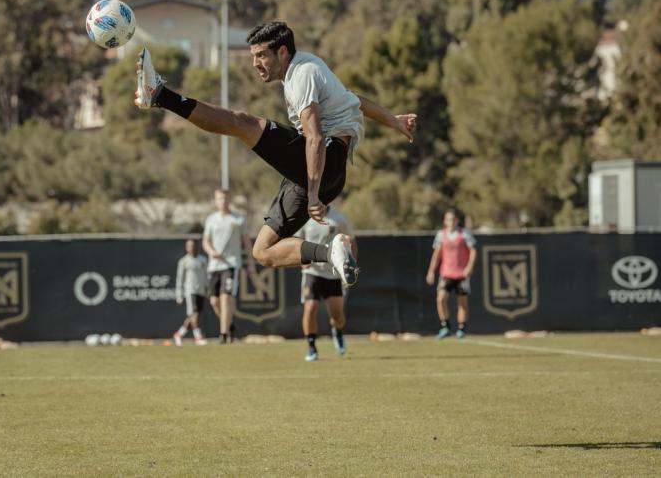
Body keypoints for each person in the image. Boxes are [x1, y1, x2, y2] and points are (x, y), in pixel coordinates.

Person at [134, 21, 416, 286]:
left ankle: (160, 95)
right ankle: (332, 254)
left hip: (322, 162)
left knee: (243, 123)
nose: (255, 63)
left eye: (261, 55)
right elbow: (355, 100)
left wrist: (314, 193)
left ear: (282, 52)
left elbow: (315, 137)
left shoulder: (302, 74)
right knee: (263, 250)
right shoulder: (307, 68)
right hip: (325, 173)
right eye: (253, 56)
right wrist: (394, 120)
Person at [296, 206, 356, 362]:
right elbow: (296, 242)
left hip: (333, 272)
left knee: (337, 315)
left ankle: (338, 331)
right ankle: (311, 347)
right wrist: (302, 262)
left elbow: (351, 241)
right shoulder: (305, 218)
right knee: (310, 308)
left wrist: (350, 266)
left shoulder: (338, 218)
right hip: (312, 272)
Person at [202, 188, 254, 344]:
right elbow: (206, 241)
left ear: (229, 200)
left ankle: (223, 335)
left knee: (226, 299)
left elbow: (246, 243)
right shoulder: (211, 219)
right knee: (214, 302)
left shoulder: (238, 219)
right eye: (219, 199)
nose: (222, 201)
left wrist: (250, 263)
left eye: (225, 198)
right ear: (215, 201)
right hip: (214, 265)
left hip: (231, 264)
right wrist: (211, 251)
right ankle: (229, 325)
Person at [425, 208, 477, 339]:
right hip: (446, 273)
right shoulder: (441, 235)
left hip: (462, 274)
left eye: (453, 219)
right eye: (448, 219)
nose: (451, 222)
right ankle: (445, 326)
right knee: (441, 298)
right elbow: (437, 255)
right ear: (444, 221)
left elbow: (473, 251)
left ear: (457, 220)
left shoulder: (464, 233)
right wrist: (431, 271)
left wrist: (469, 267)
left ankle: (461, 328)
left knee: (462, 302)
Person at [173, 239, 209, 346]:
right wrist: (179, 294)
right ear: (186, 248)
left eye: (193, 245)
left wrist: (207, 288)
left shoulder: (202, 260)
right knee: (194, 314)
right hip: (190, 291)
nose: (191, 248)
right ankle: (198, 337)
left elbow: (206, 276)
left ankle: (179, 334)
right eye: (189, 246)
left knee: (193, 316)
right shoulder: (183, 261)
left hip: (201, 291)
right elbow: (180, 279)